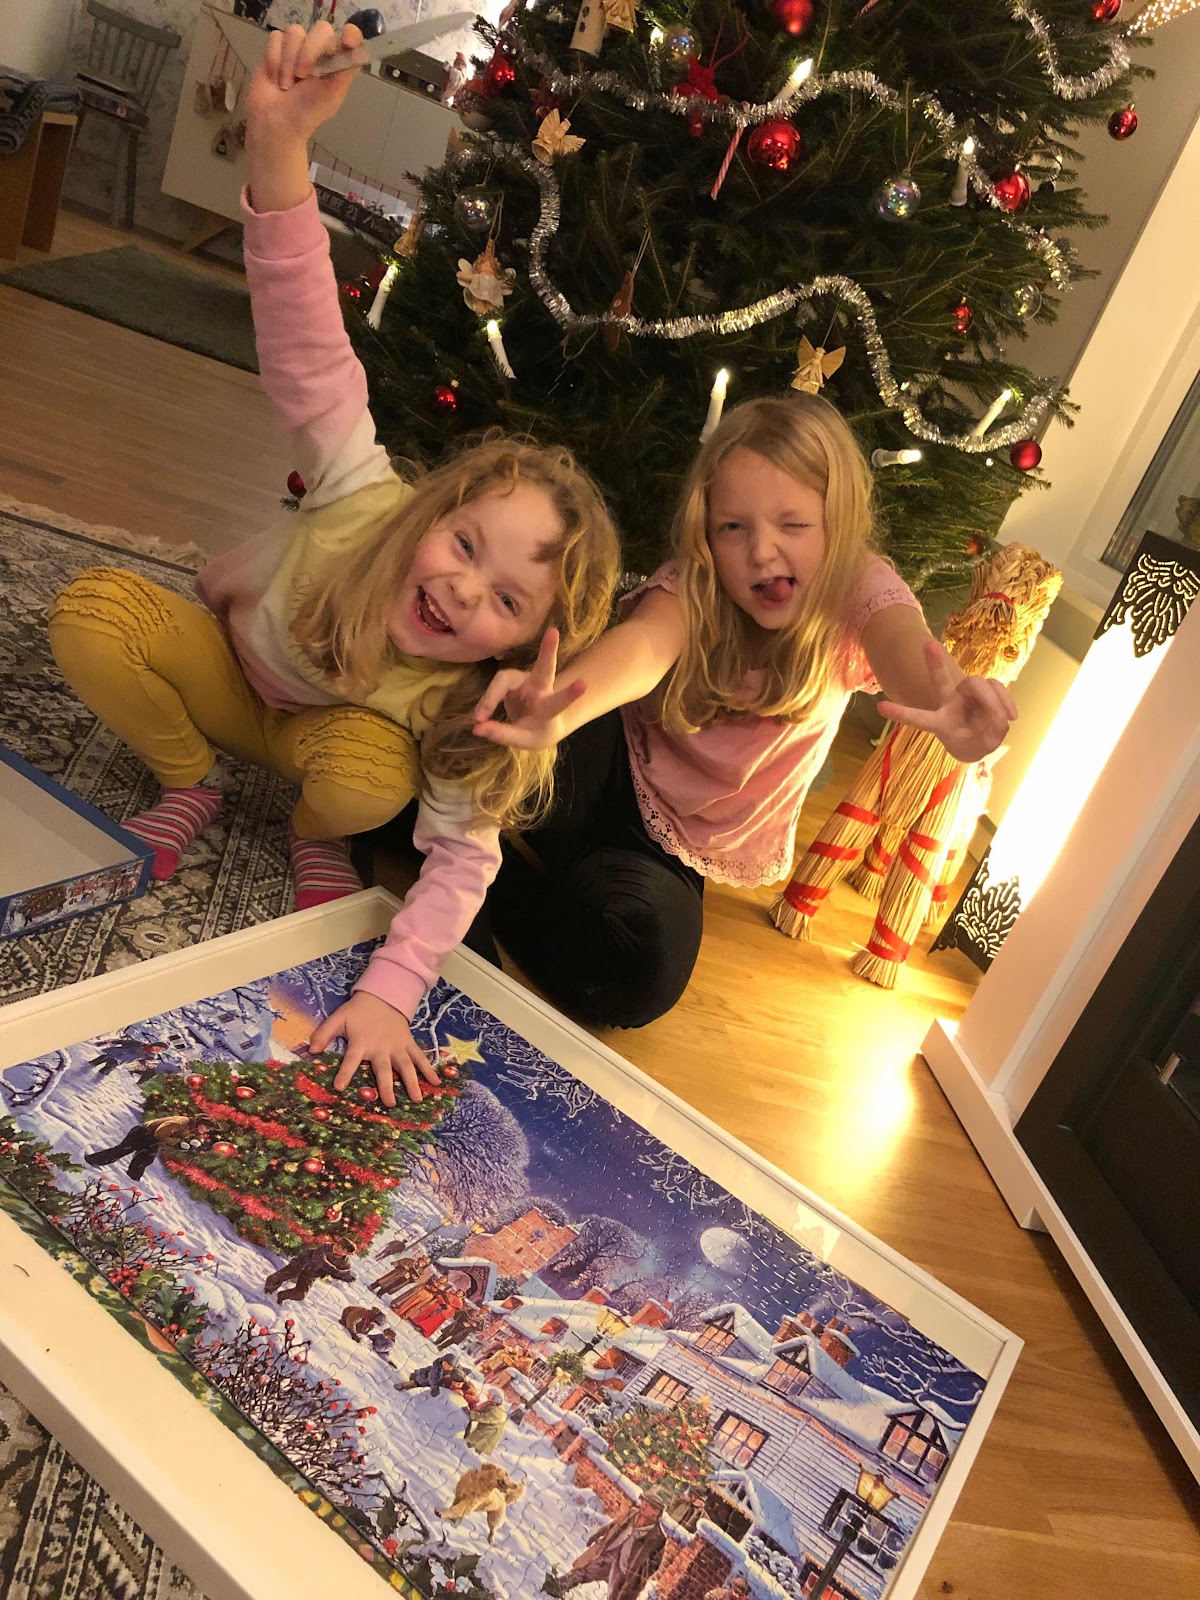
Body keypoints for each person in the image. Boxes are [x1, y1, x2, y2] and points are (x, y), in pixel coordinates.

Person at [46, 17, 620, 1107]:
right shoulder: (362, 488)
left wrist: (392, 992)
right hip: (224, 683)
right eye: (463, 544)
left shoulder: (467, 699)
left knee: (374, 778)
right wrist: (279, 146)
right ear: (433, 510)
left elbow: (464, 857)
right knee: (93, 614)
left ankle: (312, 834)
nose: (460, 588)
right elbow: (306, 335)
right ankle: (191, 777)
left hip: (320, 751)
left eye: (504, 599)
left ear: (521, 643)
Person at [473, 393, 1018, 1027]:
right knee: (487, 708)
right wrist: (561, 710)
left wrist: (946, 699)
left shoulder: (857, 587)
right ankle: (471, 843)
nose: (761, 552)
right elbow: (647, 643)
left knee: (639, 979)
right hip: (600, 760)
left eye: (794, 525)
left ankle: (489, 875)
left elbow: (900, 639)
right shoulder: (701, 580)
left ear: (838, 525)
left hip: (668, 845)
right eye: (734, 527)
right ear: (707, 532)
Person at [558, 1495, 668, 1600]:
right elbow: (613, 1525)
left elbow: (654, 1564)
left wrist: (637, 1574)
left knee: (616, 1597)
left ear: (656, 1511)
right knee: (582, 1571)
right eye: (643, 1503)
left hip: (623, 1570)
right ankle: (556, 1586)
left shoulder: (659, 1536)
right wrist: (597, 1535)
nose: (642, 1506)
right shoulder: (632, 1513)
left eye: (647, 1505)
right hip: (608, 1555)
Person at [85, 1113, 215, 1182]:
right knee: (122, 1150)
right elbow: (160, 1133)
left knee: (146, 1159)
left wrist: (194, 1143)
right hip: (143, 1133)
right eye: (207, 1127)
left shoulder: (193, 1128)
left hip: (152, 1139)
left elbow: (195, 1137)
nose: (206, 1131)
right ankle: (94, 1159)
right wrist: (175, 1143)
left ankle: (132, 1177)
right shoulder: (180, 1122)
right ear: (199, 1123)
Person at [263, 1236, 356, 1302]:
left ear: (347, 1253)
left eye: (342, 1248)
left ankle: (280, 1296)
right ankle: (267, 1290)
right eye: (338, 1244)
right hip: (302, 1262)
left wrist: (344, 1276)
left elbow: (339, 1274)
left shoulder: (345, 1263)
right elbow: (319, 1259)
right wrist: (334, 1270)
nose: (337, 1248)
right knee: (286, 1274)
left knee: (300, 1295)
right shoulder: (326, 1246)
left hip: (312, 1273)